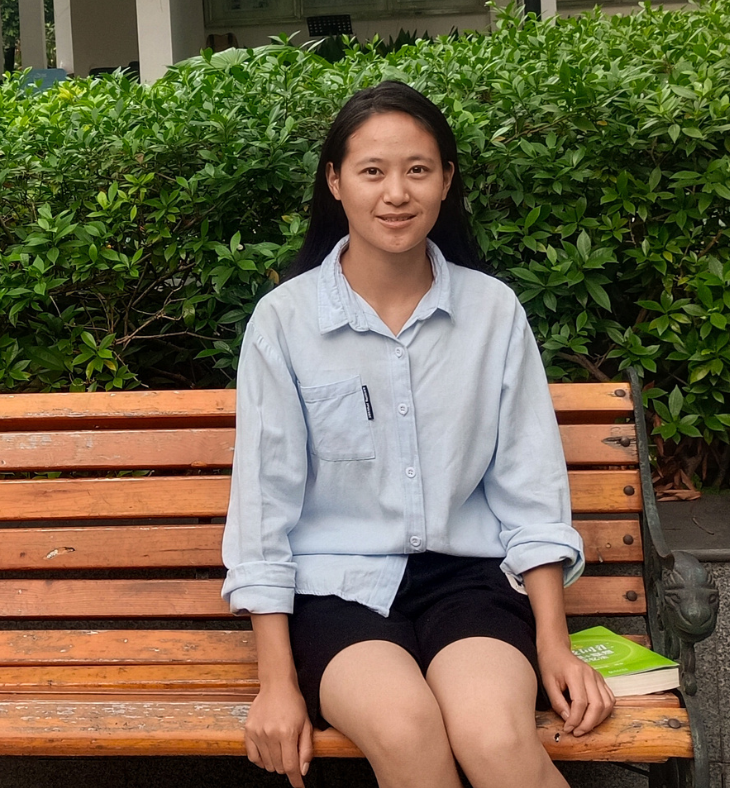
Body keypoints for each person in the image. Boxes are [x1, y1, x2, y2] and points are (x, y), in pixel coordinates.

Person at [220, 81, 616, 788]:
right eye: (372, 171)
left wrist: (554, 644)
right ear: (335, 182)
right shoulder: (285, 321)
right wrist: (276, 682)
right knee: (407, 733)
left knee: (495, 738)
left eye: (418, 169)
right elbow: (263, 510)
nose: (395, 192)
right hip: (334, 590)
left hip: (466, 580)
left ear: (446, 181)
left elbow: (530, 490)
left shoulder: (492, 312)